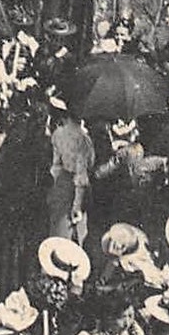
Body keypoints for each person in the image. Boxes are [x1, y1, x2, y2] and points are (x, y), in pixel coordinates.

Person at [46, 93, 94, 242]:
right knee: (72, 232)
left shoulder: (58, 133)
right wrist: (77, 206)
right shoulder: (84, 140)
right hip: (75, 188)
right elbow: (81, 176)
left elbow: (54, 166)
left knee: (56, 229)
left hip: (60, 184)